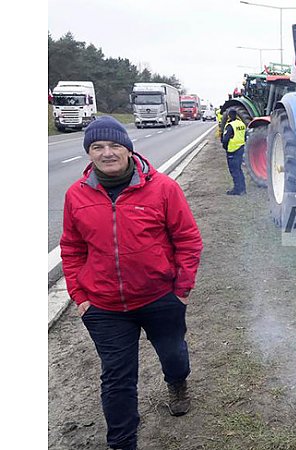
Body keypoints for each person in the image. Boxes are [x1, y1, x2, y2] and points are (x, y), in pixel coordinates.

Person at [60, 116, 203, 450]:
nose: (107, 153)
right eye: (98, 147)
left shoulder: (163, 188)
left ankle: (177, 382)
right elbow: (71, 248)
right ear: (89, 153)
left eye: (114, 146)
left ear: (128, 149)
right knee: (116, 378)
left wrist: (180, 290)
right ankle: (122, 442)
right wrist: (80, 296)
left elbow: (188, 240)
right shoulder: (75, 196)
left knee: (174, 354)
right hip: (104, 306)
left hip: (160, 297)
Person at [221, 109, 247, 195]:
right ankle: (243, 188)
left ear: (229, 116)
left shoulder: (230, 125)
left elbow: (225, 139)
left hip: (232, 150)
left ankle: (237, 189)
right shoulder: (241, 124)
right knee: (239, 169)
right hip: (241, 148)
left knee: (234, 171)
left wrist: (225, 147)